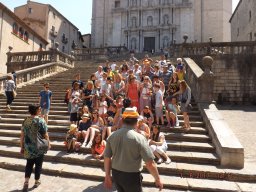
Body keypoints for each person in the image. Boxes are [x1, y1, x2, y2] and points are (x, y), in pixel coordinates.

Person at [104, 107, 163, 192]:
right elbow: (150, 163)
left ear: (123, 120)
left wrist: (107, 176)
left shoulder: (112, 136)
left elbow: (107, 158)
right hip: (132, 176)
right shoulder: (140, 138)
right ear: (136, 121)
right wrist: (157, 179)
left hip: (116, 174)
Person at [20, 104, 50, 191]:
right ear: (36, 111)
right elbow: (45, 134)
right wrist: (49, 143)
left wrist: (21, 146)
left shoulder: (25, 120)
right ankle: (37, 181)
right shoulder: (41, 120)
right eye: (39, 109)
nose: (40, 110)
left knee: (29, 164)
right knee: (38, 165)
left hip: (28, 147)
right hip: (39, 147)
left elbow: (22, 135)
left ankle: (26, 181)